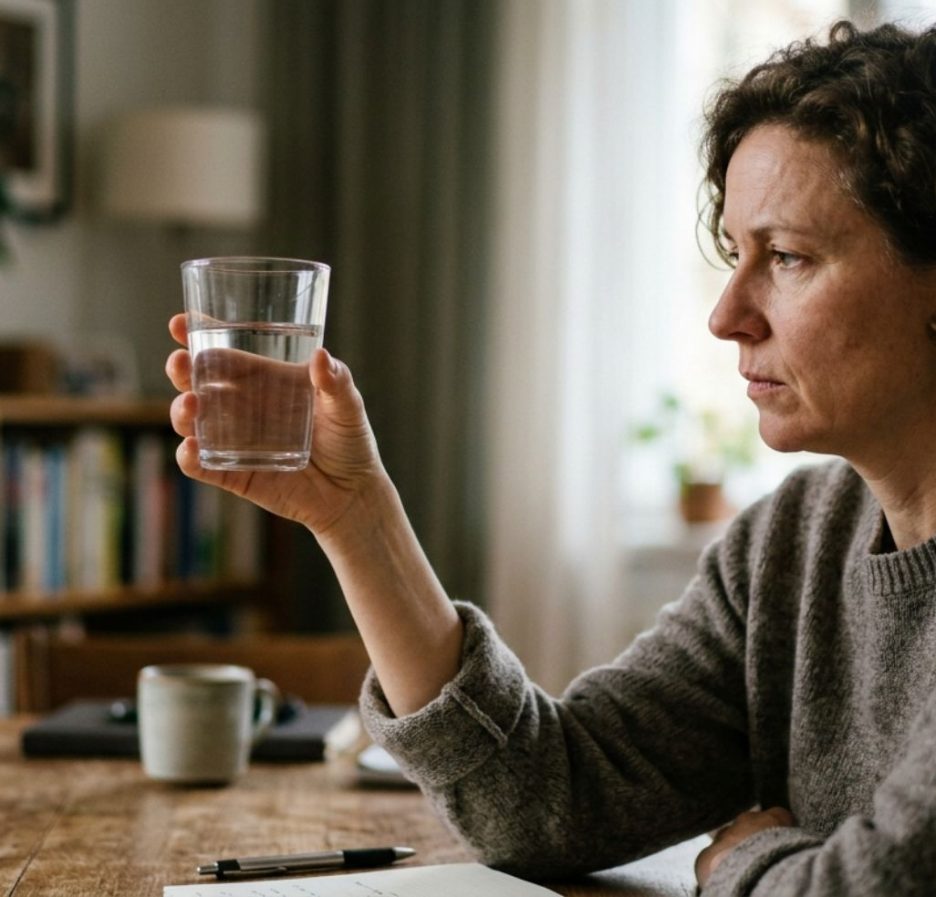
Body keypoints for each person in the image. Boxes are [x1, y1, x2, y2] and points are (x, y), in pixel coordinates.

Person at [166, 18, 936, 896]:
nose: (726, 315)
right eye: (734, 253)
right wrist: (355, 515)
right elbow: (542, 801)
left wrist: (741, 862)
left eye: (789, 256)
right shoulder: (792, 548)